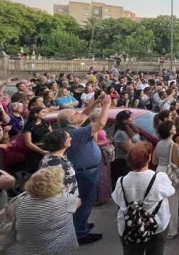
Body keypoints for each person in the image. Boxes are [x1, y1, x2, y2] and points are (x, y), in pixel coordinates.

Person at [57, 94, 111, 245]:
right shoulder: (75, 133)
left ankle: (81, 224)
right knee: (84, 202)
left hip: (85, 171)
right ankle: (80, 233)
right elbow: (100, 124)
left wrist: (97, 102)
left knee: (84, 202)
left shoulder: (73, 127)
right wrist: (106, 105)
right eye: (75, 114)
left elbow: (85, 114)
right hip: (84, 173)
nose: (79, 113)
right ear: (71, 121)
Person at [112, 143, 175, 255]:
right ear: (149, 158)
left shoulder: (121, 181)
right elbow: (170, 192)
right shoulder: (159, 177)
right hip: (156, 225)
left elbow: (118, 200)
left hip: (129, 226)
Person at [7, 166, 81, 255]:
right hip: (60, 248)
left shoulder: (21, 200)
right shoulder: (65, 200)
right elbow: (78, 203)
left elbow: (9, 213)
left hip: (29, 249)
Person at [153, 121, 179, 239]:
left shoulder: (159, 143)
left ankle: (161, 227)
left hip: (159, 172)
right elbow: (177, 162)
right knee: (173, 202)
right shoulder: (173, 145)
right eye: (173, 127)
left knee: (161, 202)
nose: (175, 127)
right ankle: (172, 230)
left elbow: (154, 161)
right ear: (169, 131)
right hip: (169, 174)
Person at [40, 129, 79, 195]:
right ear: (61, 142)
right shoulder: (56, 163)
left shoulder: (49, 155)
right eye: (68, 137)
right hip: (64, 200)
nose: (71, 138)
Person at [111, 110, 141, 185]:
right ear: (124, 120)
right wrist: (141, 145)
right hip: (124, 162)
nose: (133, 118)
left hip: (131, 160)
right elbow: (130, 148)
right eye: (130, 117)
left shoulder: (131, 128)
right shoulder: (121, 133)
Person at [21, 106, 52, 172]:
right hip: (35, 150)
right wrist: (42, 151)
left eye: (46, 112)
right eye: (43, 112)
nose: (45, 113)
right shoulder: (29, 126)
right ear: (36, 114)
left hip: (47, 147)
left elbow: (51, 135)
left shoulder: (46, 123)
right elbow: (28, 143)